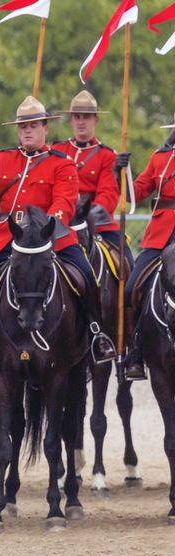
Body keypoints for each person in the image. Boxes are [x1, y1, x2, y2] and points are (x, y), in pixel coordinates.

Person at [0, 96, 117, 378]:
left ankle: (96, 335)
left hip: (48, 235)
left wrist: (46, 228)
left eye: (33, 125)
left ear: (45, 128)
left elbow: (65, 203)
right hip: (8, 236)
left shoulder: (62, 163)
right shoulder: (2, 158)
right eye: (23, 126)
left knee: (86, 277)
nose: (27, 131)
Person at [117, 114, 175, 380]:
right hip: (160, 235)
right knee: (132, 288)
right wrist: (123, 173)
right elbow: (136, 193)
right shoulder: (160, 158)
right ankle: (135, 353)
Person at [52, 90, 130, 262]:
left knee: (127, 262)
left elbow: (108, 195)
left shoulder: (107, 155)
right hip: (60, 219)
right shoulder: (57, 150)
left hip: (96, 222)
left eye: (86, 117)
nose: (81, 122)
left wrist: (85, 216)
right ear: (71, 120)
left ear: (96, 120)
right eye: (77, 116)